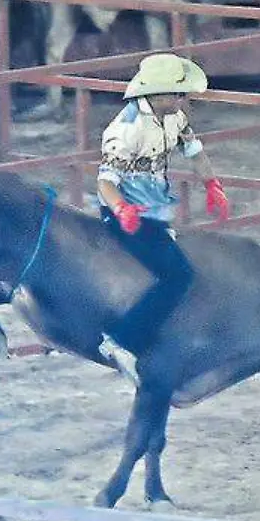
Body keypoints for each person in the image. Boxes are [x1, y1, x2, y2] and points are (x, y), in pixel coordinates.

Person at [95, 53, 230, 383]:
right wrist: (122, 210)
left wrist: (212, 183)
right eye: (178, 93)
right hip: (128, 214)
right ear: (157, 94)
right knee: (178, 276)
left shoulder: (176, 118)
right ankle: (122, 339)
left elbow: (194, 151)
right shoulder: (125, 130)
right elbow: (105, 181)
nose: (183, 99)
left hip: (154, 210)